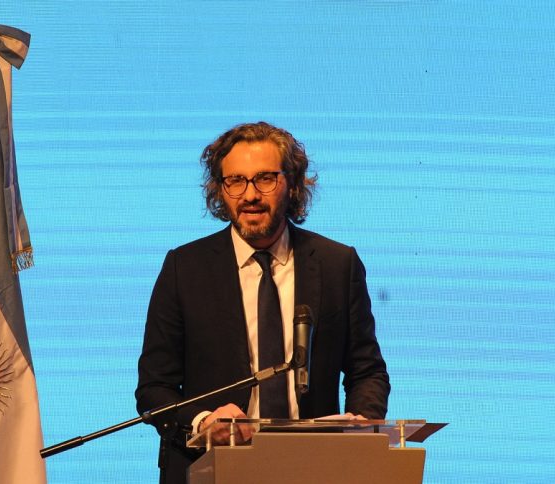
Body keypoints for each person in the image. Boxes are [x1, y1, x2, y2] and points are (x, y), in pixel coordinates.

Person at [135, 121, 390, 483]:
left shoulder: (337, 264)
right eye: (235, 181)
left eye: (265, 179)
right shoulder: (184, 268)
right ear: (220, 189)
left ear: (292, 183)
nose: (250, 195)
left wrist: (362, 426)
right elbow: (153, 388)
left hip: (314, 469)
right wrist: (203, 422)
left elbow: (367, 372)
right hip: (211, 468)